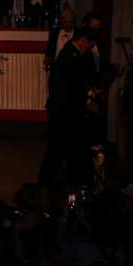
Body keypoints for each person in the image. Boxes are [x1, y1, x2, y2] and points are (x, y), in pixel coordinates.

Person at [39, 27, 98, 189]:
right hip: (63, 112)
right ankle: (47, 185)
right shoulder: (70, 57)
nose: (90, 49)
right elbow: (72, 87)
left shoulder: (70, 54)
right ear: (83, 40)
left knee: (60, 151)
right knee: (57, 151)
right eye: (90, 45)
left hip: (63, 111)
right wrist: (88, 99)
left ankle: (52, 184)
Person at [44, 5, 76, 71]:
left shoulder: (78, 34)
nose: (66, 24)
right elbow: (49, 50)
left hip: (72, 69)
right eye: (64, 21)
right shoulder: (54, 34)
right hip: (56, 69)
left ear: (73, 21)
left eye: (69, 22)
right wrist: (48, 59)